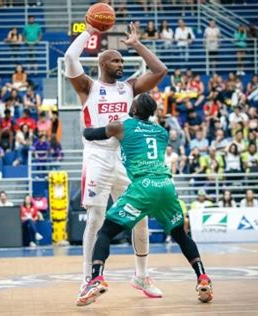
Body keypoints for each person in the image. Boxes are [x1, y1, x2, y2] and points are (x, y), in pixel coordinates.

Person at [77, 94, 213, 306]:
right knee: (180, 235)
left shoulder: (121, 126)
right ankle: (202, 277)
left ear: (133, 110)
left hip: (143, 187)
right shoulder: (161, 132)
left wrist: (89, 116)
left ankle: (96, 278)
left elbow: (89, 133)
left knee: (104, 232)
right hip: (166, 186)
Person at [65, 21, 168, 297]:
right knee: (96, 217)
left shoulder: (129, 87)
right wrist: (89, 30)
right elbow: (70, 57)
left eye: (122, 59)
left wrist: (137, 44)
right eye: (115, 60)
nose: (120, 63)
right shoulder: (87, 86)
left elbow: (160, 71)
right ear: (102, 64)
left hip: (125, 157)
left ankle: (142, 276)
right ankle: (88, 279)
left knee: (140, 216)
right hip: (97, 156)